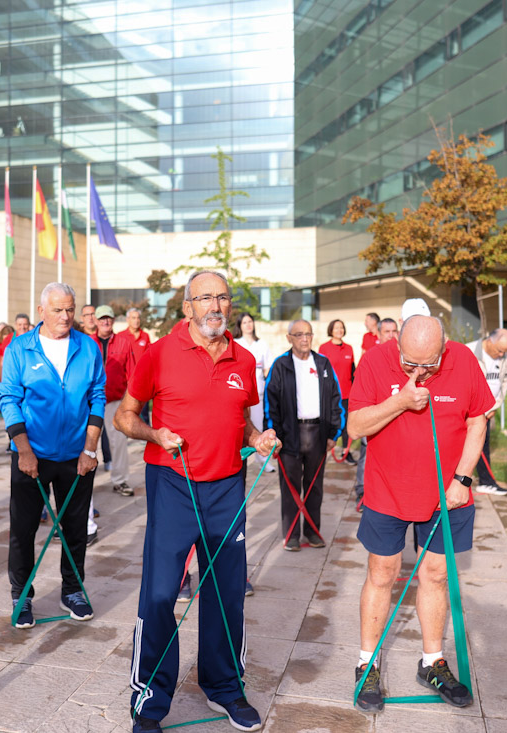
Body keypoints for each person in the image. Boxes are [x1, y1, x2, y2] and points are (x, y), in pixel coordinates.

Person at [115, 270, 278, 733]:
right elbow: (126, 417)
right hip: (172, 483)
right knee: (162, 593)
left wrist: (257, 439)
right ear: (187, 307)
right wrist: (154, 433)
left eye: (222, 298)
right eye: (204, 298)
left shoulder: (243, 360)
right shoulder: (157, 354)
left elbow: (239, 419)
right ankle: (150, 700)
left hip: (227, 486)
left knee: (227, 595)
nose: (215, 306)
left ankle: (225, 687)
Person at [348, 315, 489, 713]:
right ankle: (367, 663)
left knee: (436, 576)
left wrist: (462, 478)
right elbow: (356, 425)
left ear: (444, 349)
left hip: (448, 494)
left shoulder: (463, 360)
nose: (418, 372)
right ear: (398, 348)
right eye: (410, 363)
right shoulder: (376, 361)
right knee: (382, 574)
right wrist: (399, 401)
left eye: (428, 365)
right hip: (388, 491)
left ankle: (432, 663)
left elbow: (478, 420)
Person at [0, 283, 104, 629]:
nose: (65, 317)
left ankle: (72, 589)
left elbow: (97, 397)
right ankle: (22, 593)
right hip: (31, 456)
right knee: (24, 529)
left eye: (70, 309)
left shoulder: (88, 348)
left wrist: (90, 448)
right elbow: (9, 399)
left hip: (77, 456)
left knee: (75, 528)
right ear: (42, 311)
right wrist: (24, 450)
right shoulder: (19, 349)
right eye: (58, 310)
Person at [265, 319, 342, 550]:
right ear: (289, 338)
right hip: (289, 435)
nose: (305, 339)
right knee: (290, 488)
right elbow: (271, 404)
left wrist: (333, 433)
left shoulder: (323, 364)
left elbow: (335, 400)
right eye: (299, 334)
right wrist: (274, 436)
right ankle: (292, 535)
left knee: (314, 486)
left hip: (317, 434)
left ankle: (312, 531)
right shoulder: (280, 365)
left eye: (308, 334)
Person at [354, 314, 403, 506]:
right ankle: (362, 491)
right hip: (374, 416)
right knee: (367, 455)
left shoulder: (404, 357)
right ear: (379, 334)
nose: (391, 336)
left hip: (397, 420)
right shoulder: (371, 358)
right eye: (386, 332)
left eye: (394, 332)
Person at [91, 305, 136, 497]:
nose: (105, 322)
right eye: (102, 318)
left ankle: (120, 480)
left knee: (118, 442)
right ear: (96, 320)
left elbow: (132, 373)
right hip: (90, 402)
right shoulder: (87, 342)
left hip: (115, 400)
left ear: (113, 320)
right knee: (88, 441)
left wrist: (130, 403)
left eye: (108, 318)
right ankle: (85, 482)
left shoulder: (124, 343)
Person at [466, 328, 507, 496]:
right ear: (490, 341)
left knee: (482, 445)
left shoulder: (504, 356)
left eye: (505, 352)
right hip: (469, 412)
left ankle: (485, 482)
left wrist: (494, 406)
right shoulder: (469, 351)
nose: (502, 355)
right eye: (499, 350)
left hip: (488, 411)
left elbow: (504, 382)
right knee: (462, 445)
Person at [233, 312, 276, 473]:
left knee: (257, 426)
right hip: (239, 392)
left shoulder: (261, 344)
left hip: (258, 394)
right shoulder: (236, 343)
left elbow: (267, 368)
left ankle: (263, 461)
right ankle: (239, 457)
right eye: (244, 322)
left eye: (250, 321)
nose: (248, 325)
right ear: (239, 325)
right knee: (239, 426)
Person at [319, 319, 355, 463]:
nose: (339, 330)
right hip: (330, 393)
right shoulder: (324, 348)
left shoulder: (349, 348)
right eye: (336, 328)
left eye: (341, 327)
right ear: (331, 330)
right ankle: (322, 451)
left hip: (347, 393)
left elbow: (353, 371)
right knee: (328, 422)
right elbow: (320, 371)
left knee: (346, 425)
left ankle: (346, 452)